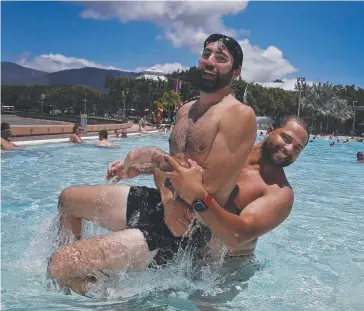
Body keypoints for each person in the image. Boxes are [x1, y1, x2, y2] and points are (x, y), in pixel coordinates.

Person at [47, 33, 257, 296]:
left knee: (59, 264)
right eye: (207, 54)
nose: (210, 61)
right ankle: (87, 279)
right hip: (165, 204)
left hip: (185, 228)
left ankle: (112, 296)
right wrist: (140, 169)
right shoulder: (186, 110)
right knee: (68, 199)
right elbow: (178, 164)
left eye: (221, 58)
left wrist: (154, 157)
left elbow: (204, 187)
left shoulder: (238, 114)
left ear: (236, 71)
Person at [155, 116, 309, 257]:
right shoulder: (229, 150)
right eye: (286, 138)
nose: (289, 149)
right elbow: (165, 165)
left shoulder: (280, 193)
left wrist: (199, 197)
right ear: (269, 131)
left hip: (221, 268)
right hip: (177, 232)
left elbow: (237, 236)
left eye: (297, 148)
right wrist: (169, 202)